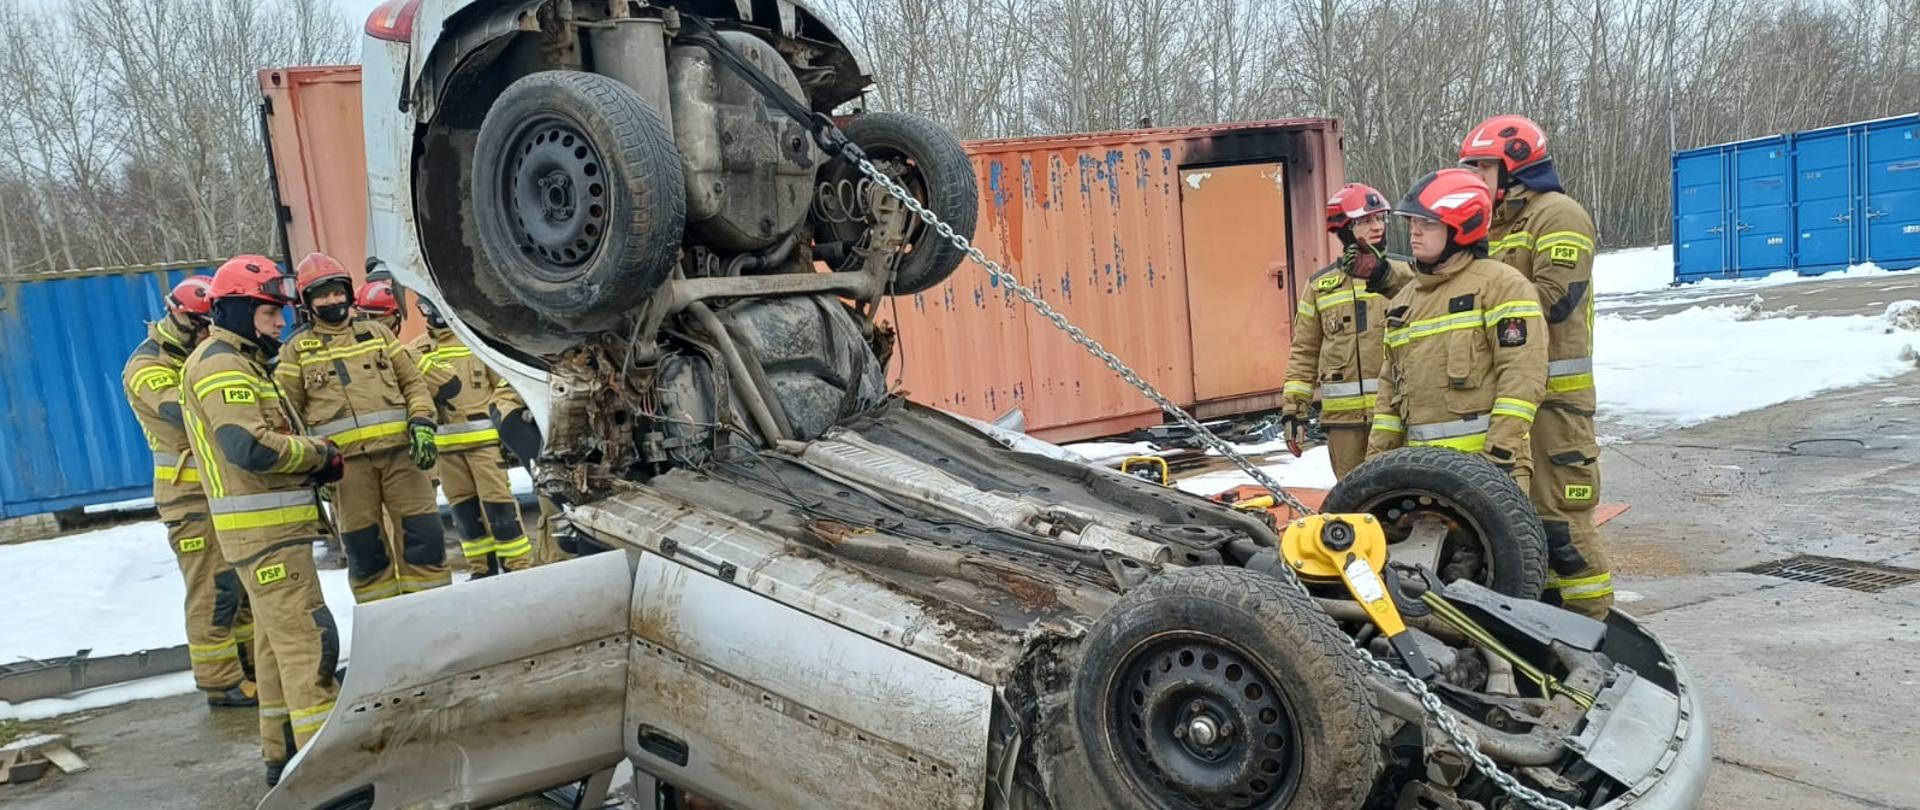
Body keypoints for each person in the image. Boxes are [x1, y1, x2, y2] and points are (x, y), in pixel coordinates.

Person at [180, 255, 344, 784]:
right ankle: (330, 775)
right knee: (312, 646)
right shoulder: (222, 364)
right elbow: (247, 446)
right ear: (240, 309)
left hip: (269, 535)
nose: (281, 322)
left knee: (276, 653)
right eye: (270, 311)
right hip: (266, 536)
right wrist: (318, 454)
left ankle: (285, 759)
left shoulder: (244, 361)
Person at [1460, 114, 1612, 617]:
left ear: (1513, 169)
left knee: (1561, 522)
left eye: (1482, 167)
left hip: (1557, 402)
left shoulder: (1558, 216)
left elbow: (1553, 298)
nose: (1473, 177)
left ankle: (1597, 631)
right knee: (1521, 521)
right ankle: (1551, 626)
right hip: (1514, 397)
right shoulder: (1496, 227)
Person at [275, 253, 449, 602]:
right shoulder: (295, 352)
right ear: (308, 303)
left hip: (403, 457)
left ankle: (436, 617)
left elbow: (413, 384)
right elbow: (287, 416)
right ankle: (385, 626)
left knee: (425, 541)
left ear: (348, 293)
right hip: (347, 471)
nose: (332, 300)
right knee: (366, 553)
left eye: (337, 292)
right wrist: (314, 467)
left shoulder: (378, 334)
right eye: (321, 295)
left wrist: (421, 422)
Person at [121, 275, 257, 708]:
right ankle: (219, 680)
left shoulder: (197, 356)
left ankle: (253, 668)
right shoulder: (147, 366)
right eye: (198, 324)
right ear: (175, 314)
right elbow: (187, 413)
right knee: (212, 589)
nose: (204, 333)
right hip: (188, 495)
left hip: (219, 488)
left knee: (241, 586)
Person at [1366, 168, 1546, 492]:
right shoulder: (1404, 301)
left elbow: (1522, 379)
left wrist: (1499, 459)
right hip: (1419, 479)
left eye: (1428, 223)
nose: (1414, 233)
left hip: (1489, 474)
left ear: (1463, 227)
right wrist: (1373, 471)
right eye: (1412, 223)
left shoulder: (1502, 286)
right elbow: (1388, 397)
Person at [1282, 183, 1416, 478]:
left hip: (1398, 414)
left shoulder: (1409, 275)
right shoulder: (1320, 286)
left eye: (1380, 218)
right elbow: (1304, 351)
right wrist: (1294, 412)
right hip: (1344, 424)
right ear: (1344, 229)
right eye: (1366, 220)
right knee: (1354, 498)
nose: (1377, 226)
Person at [412, 297, 539, 576]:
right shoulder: (416, 351)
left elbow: (506, 383)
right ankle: (481, 569)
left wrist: (504, 421)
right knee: (464, 512)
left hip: (484, 446)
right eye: (427, 306)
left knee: (499, 507)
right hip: (446, 451)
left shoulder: (478, 342)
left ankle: (518, 566)